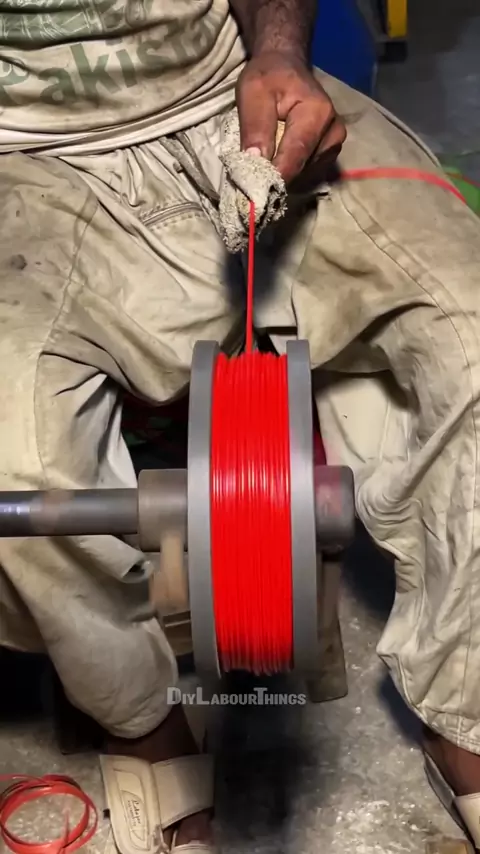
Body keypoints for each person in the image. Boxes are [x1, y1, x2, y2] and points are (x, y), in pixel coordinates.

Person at [1, 0, 480, 850]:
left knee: (471, 340)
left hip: (239, 95)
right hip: (26, 157)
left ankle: (466, 714)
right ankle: (144, 724)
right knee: (16, 462)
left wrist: (280, 50)